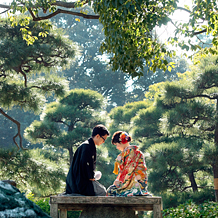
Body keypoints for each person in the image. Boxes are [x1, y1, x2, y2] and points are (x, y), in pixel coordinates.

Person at [66, 124, 110, 196]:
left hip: (80, 181)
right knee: (103, 192)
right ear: (97, 136)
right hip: (80, 183)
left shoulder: (88, 145)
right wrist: (91, 176)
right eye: (103, 139)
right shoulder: (86, 146)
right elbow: (84, 164)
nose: (103, 142)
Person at [107, 131, 149, 196]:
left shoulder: (134, 153)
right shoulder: (125, 154)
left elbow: (128, 170)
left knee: (113, 192)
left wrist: (119, 182)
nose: (117, 147)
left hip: (136, 182)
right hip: (129, 180)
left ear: (121, 142)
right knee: (111, 190)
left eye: (116, 144)